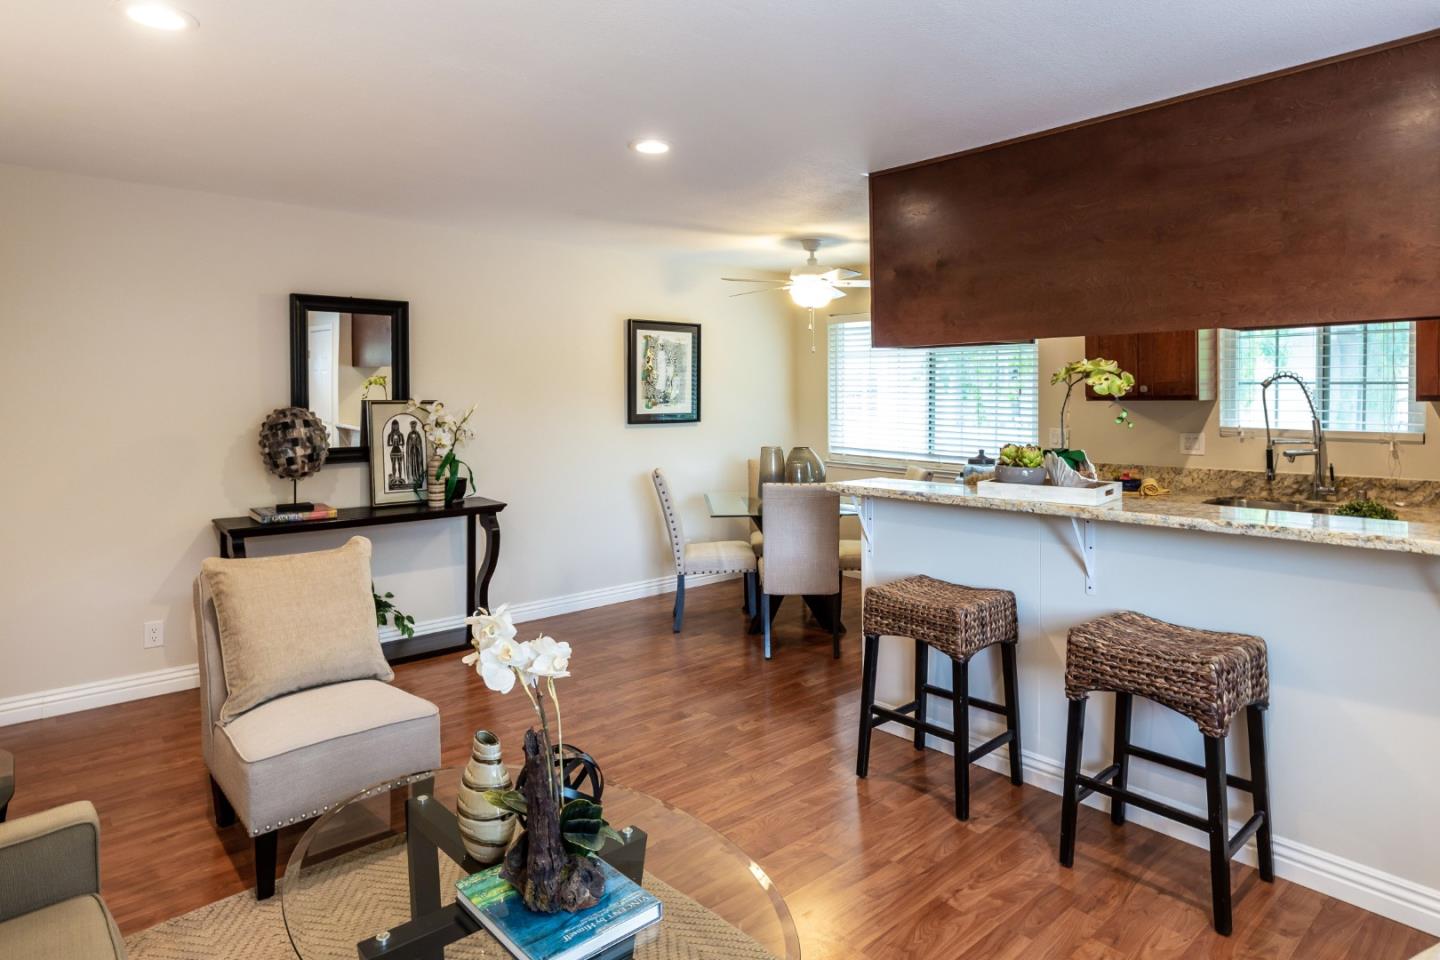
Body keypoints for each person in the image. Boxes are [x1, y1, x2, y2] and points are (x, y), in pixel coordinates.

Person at [405, 421, 425, 490]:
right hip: (411, 454)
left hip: (416, 453)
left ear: (415, 426)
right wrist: (411, 445)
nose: (413, 427)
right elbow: (408, 445)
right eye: (412, 426)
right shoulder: (409, 434)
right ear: (411, 426)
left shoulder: (418, 434)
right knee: (412, 465)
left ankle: (417, 477)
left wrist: (416, 445)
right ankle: (412, 478)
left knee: (417, 465)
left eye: (414, 426)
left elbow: (419, 444)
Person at [387, 419, 405, 487]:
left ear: (398, 426)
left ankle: (400, 477)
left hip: (399, 450)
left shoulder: (401, 434)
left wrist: (399, 444)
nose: (395, 427)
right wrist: (393, 444)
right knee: (393, 464)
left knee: (400, 464)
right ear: (392, 426)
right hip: (393, 451)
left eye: (396, 426)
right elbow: (388, 444)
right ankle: (394, 478)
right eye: (394, 426)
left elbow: (403, 443)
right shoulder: (390, 435)